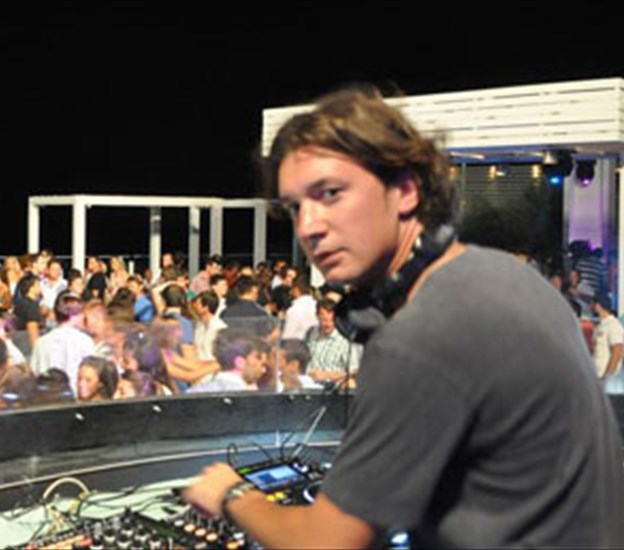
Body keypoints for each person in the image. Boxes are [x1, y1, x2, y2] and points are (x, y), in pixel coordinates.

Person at [183, 88, 624, 548]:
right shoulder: (510, 278)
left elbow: (325, 542)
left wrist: (233, 494)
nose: (308, 226)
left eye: (330, 194)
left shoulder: (421, 334)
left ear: (406, 191)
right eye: (295, 207)